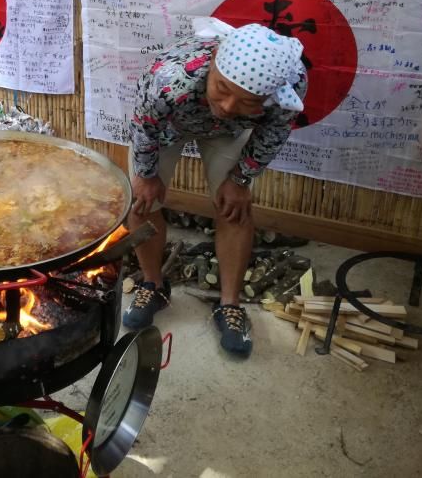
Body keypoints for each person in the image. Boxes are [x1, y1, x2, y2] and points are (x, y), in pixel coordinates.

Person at [123, 19, 308, 357]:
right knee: (141, 203)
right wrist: (147, 176)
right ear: (215, 60)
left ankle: (229, 304)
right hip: (169, 125)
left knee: (234, 208)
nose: (226, 107)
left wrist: (240, 179)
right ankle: (153, 284)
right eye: (222, 89)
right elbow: (145, 125)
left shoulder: (290, 83)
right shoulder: (168, 77)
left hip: (230, 134)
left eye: (247, 101)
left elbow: (274, 132)